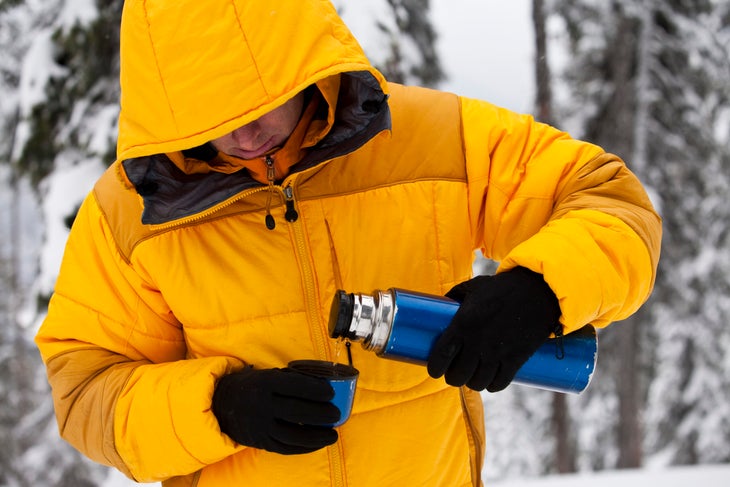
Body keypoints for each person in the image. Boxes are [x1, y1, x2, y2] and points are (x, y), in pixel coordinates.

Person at [34, 0, 662, 486]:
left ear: (304, 64)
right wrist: (216, 407)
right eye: (211, 122)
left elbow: (611, 200)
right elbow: (86, 390)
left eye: (261, 105)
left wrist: (538, 291)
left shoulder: (436, 142)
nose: (246, 136)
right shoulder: (132, 212)